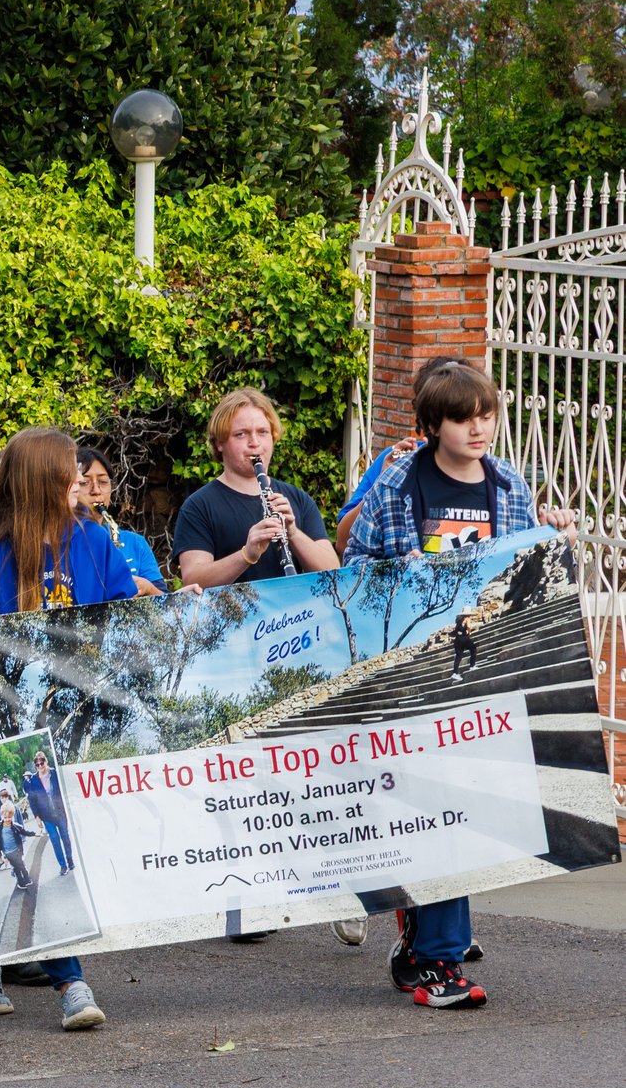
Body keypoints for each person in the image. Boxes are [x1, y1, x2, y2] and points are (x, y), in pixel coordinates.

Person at [347, 356, 578, 1009]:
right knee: (426, 814)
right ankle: (432, 954)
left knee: (460, 816)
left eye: (486, 414)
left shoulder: (507, 485)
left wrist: (546, 535)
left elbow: (523, 578)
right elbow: (357, 562)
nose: (479, 428)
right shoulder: (401, 483)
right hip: (411, 678)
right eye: (462, 417)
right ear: (431, 424)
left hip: (480, 680)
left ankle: (428, 948)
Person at [0, 428, 135, 1029]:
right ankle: (73, 984)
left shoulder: (95, 542)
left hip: (75, 721)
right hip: (3, 721)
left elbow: (127, 612)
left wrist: (177, 603)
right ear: (42, 482)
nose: (81, 483)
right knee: (30, 835)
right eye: (69, 474)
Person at [170, 389, 341, 587]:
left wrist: (292, 533)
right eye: (241, 434)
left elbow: (333, 573)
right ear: (219, 443)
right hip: (236, 617)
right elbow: (193, 580)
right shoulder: (198, 506)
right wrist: (246, 555)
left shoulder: (298, 499)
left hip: (294, 615)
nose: (255, 443)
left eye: (263, 432)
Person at [76, 446, 165, 595]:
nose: (96, 491)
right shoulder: (64, 544)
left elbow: (166, 603)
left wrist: (147, 588)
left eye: (103, 482)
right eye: (85, 483)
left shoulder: (135, 543)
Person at [21, 751, 73, 873]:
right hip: (47, 815)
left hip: (60, 812)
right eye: (37, 764)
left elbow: (63, 790)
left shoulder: (55, 774)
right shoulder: (33, 780)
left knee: (65, 837)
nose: (40, 766)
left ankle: (70, 860)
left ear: (46, 761)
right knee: (55, 839)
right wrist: (37, 817)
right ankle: (63, 865)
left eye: (42, 762)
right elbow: (32, 800)